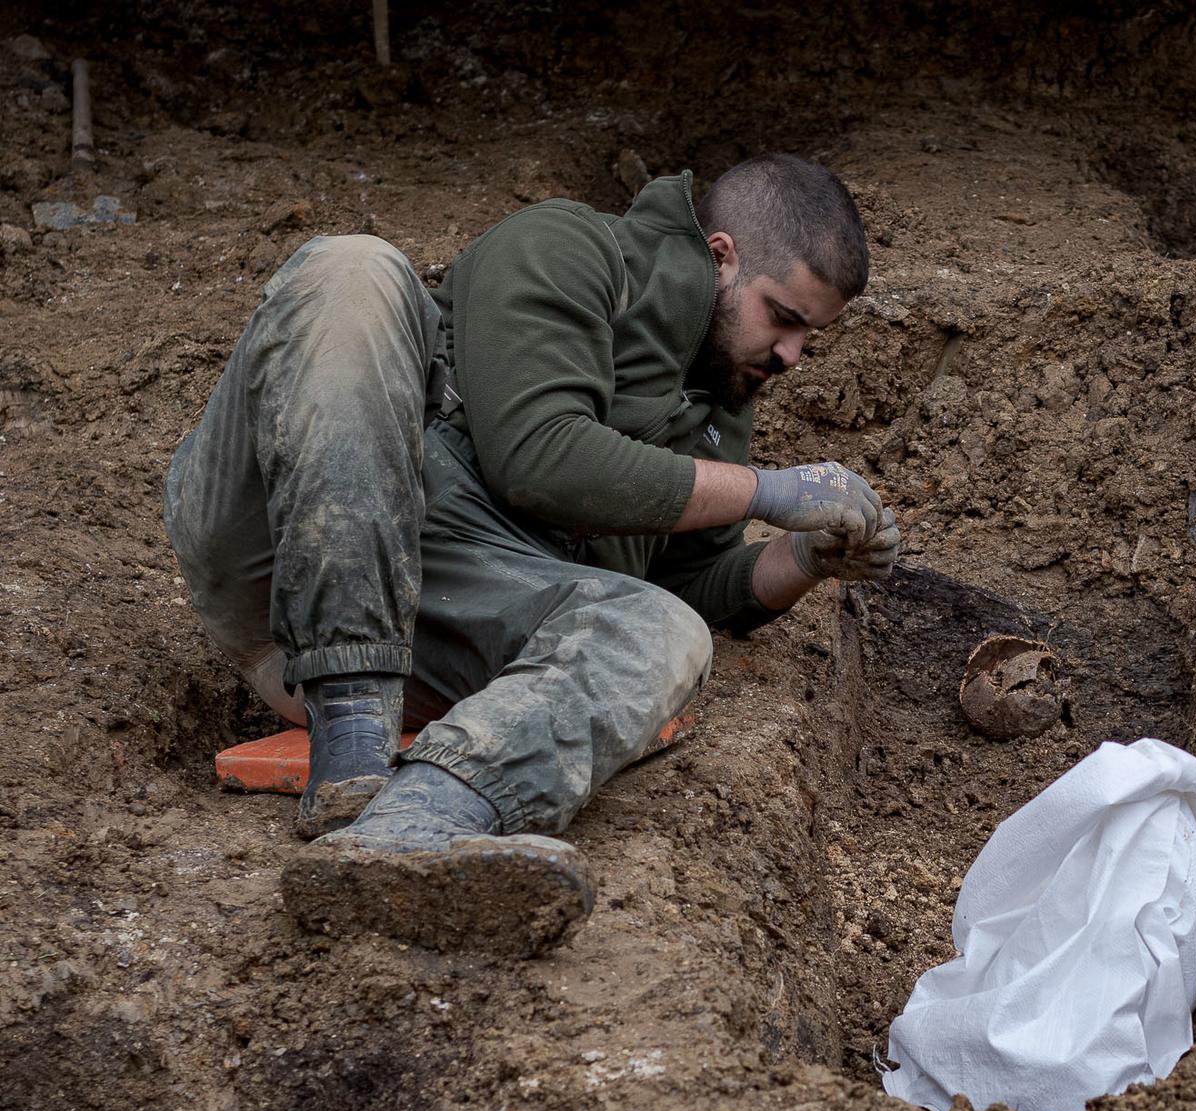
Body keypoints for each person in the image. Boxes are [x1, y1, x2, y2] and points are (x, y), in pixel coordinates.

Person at [163, 154, 899, 956]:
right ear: (722, 257)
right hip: (292, 538)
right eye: (783, 317)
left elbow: (688, 584)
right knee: (353, 269)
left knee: (666, 633)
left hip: (456, 618)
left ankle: (410, 831)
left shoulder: (716, 409)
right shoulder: (571, 249)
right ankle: (350, 741)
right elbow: (537, 456)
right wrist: (761, 490)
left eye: (808, 336)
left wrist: (802, 555)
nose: (792, 354)